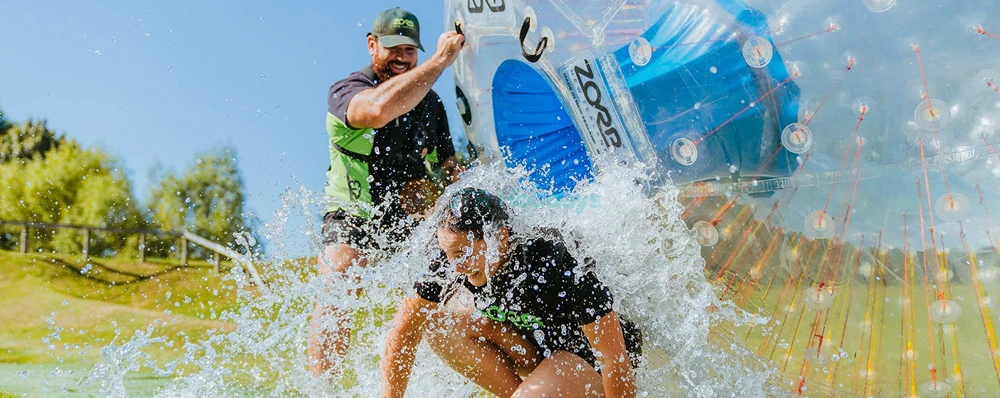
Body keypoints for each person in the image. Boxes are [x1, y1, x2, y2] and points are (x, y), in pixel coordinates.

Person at [310, 7, 465, 377]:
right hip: (353, 211)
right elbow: (378, 110)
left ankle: (432, 381)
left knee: (453, 293)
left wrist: (452, 193)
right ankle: (323, 388)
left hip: (408, 222)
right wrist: (440, 62)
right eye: (393, 47)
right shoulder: (347, 90)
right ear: (372, 45)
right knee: (339, 282)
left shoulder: (432, 105)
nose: (402, 57)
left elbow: (449, 168)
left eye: (410, 50)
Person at [381, 188, 641, 397]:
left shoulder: (556, 261)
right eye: (447, 254)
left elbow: (613, 357)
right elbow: (403, 333)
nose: (455, 267)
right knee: (440, 325)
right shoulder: (449, 254)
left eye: (461, 254)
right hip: (537, 349)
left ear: (500, 236)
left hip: (588, 359)